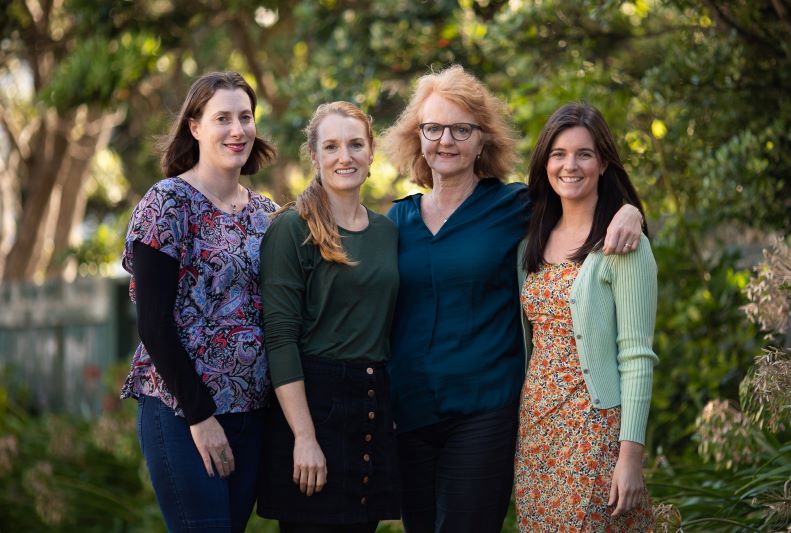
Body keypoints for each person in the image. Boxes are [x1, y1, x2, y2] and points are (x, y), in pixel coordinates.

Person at [380, 65, 645, 533]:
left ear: (483, 139)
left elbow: (580, 199)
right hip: (411, 414)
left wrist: (630, 214)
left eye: (462, 128)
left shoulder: (516, 207)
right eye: (433, 128)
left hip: (484, 413)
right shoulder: (395, 222)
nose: (446, 140)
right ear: (416, 137)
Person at [119, 71, 278, 532]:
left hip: (252, 411)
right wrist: (200, 415)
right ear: (195, 127)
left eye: (245, 117)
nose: (237, 130)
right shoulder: (167, 204)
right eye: (222, 118)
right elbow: (153, 324)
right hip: (182, 411)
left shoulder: (266, 214)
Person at [256, 101, 401, 533]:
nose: (345, 156)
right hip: (314, 407)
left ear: (371, 152)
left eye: (356, 144)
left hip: (373, 406)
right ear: (314, 156)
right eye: (332, 146)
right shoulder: (291, 229)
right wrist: (304, 436)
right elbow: (279, 338)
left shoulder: (387, 231)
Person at [514, 102, 657, 531]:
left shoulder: (624, 245)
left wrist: (630, 456)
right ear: (545, 162)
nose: (569, 165)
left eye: (584, 154)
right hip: (536, 428)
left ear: (603, 162)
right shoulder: (530, 241)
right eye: (558, 153)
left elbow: (637, 356)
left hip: (594, 428)